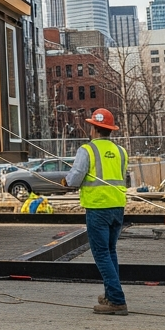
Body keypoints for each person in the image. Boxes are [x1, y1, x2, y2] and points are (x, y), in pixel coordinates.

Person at [65, 108, 129, 316]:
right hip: (117, 208)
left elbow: (75, 178)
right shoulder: (121, 151)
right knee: (110, 252)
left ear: (94, 128)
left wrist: (66, 182)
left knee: (101, 254)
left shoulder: (87, 150)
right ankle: (112, 294)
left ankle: (117, 300)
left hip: (97, 208)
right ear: (110, 130)